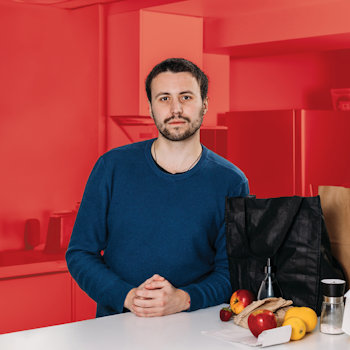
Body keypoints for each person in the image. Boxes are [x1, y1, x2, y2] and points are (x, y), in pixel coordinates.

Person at [66, 58, 249, 318]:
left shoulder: (231, 181)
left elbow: (231, 271)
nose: (176, 109)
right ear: (151, 108)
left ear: (205, 104)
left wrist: (185, 299)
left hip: (195, 329)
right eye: (164, 98)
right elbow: (80, 253)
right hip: (116, 329)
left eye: (186, 97)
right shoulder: (112, 167)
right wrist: (129, 297)